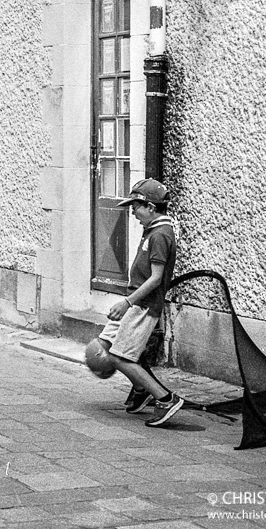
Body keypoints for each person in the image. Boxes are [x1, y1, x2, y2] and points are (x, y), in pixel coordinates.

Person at [98, 179, 183, 427]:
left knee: (121, 356)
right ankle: (140, 387)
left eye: (136, 206)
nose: (133, 212)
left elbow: (156, 279)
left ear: (150, 207)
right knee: (106, 344)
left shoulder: (160, 234)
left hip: (143, 305)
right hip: (135, 300)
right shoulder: (153, 230)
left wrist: (127, 302)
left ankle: (165, 398)